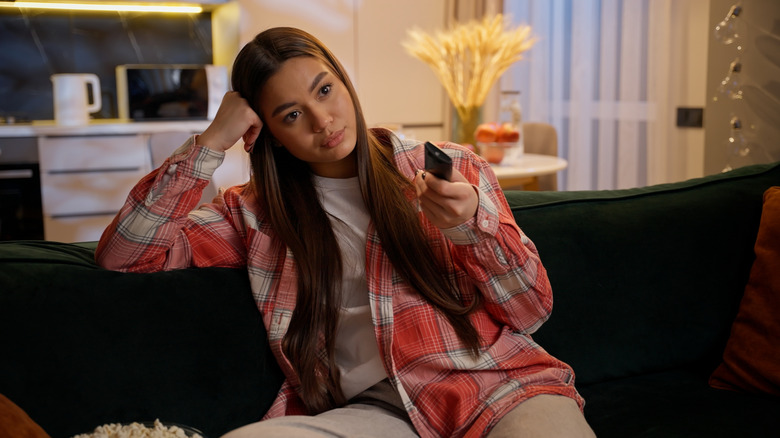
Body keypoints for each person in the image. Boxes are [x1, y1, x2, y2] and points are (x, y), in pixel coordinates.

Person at [95, 27, 595, 438]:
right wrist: (211, 142)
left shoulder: (448, 167)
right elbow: (125, 254)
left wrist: (470, 230)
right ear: (270, 134)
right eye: (292, 115)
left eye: (325, 90)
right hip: (373, 412)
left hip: (499, 388)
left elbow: (531, 311)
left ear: (343, 82)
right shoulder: (252, 215)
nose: (322, 120)